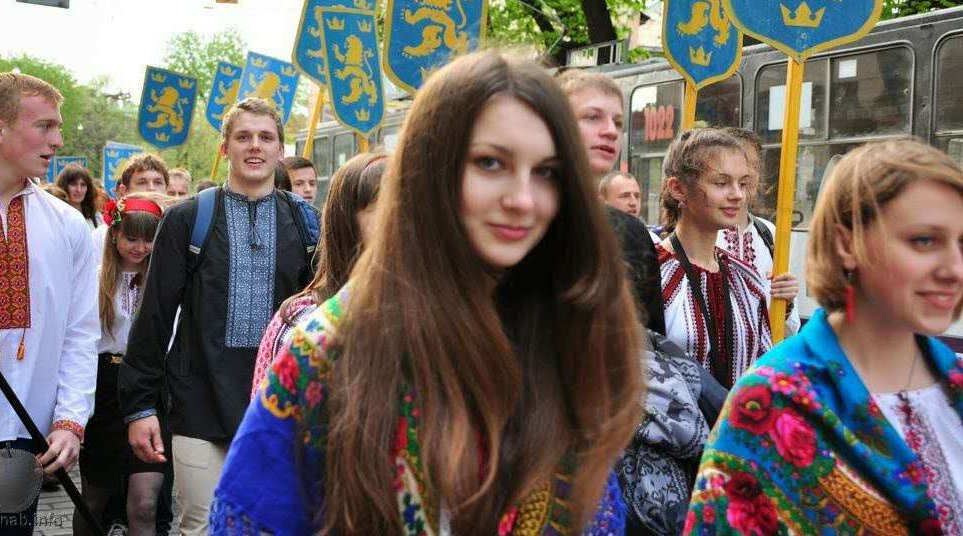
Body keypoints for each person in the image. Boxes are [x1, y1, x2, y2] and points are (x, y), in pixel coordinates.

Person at [211, 51, 644, 534]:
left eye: (546, 172)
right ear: (429, 170)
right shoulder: (333, 349)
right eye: (490, 163)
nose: (522, 198)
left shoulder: (573, 327)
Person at [685, 139, 963, 534]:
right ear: (846, 243)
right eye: (924, 241)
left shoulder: (953, 381)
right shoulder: (771, 405)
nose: (954, 268)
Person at [120, 98, 315, 536]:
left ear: (280, 149)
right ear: (225, 147)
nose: (255, 146)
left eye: (266, 137)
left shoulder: (307, 225)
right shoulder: (187, 219)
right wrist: (140, 407)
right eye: (243, 136)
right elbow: (153, 317)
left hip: (279, 410)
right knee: (202, 528)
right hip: (198, 404)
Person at [0, 73, 99, 535]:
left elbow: (81, 332)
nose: (57, 140)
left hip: (21, 438)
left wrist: (69, 421)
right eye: (44, 126)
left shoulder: (67, 225)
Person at [251, 152, 386, 395]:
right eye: (383, 207)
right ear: (347, 222)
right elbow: (268, 427)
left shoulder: (436, 314)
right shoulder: (301, 322)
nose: (400, 220)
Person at [75, 193, 170, 536]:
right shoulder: (94, 279)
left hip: (148, 388)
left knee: (144, 505)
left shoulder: (165, 282)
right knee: (93, 501)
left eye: (149, 239)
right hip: (104, 389)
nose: (140, 247)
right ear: (113, 234)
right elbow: (78, 342)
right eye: (132, 237)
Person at [658, 128, 771, 388]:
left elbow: (763, 370)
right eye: (721, 183)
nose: (737, 195)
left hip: (737, 427)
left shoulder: (746, 278)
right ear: (678, 188)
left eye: (742, 183)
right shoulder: (653, 275)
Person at [556, 69, 664, 331]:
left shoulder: (632, 233)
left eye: (617, 123)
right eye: (593, 117)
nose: (611, 132)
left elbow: (650, 337)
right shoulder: (522, 218)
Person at [716, 127, 800, 334]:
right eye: (740, 165)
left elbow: (789, 330)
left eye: (754, 165)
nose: (750, 174)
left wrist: (786, 305)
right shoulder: (704, 232)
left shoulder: (770, 233)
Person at [91, 154, 169, 265]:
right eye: (142, 182)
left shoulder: (174, 232)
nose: (151, 188)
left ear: (166, 189)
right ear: (124, 190)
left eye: (158, 182)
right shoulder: (101, 237)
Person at [56, 162, 103, 228]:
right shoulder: (56, 216)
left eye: (83, 185)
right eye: (73, 184)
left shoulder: (96, 217)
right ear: (64, 186)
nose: (79, 190)